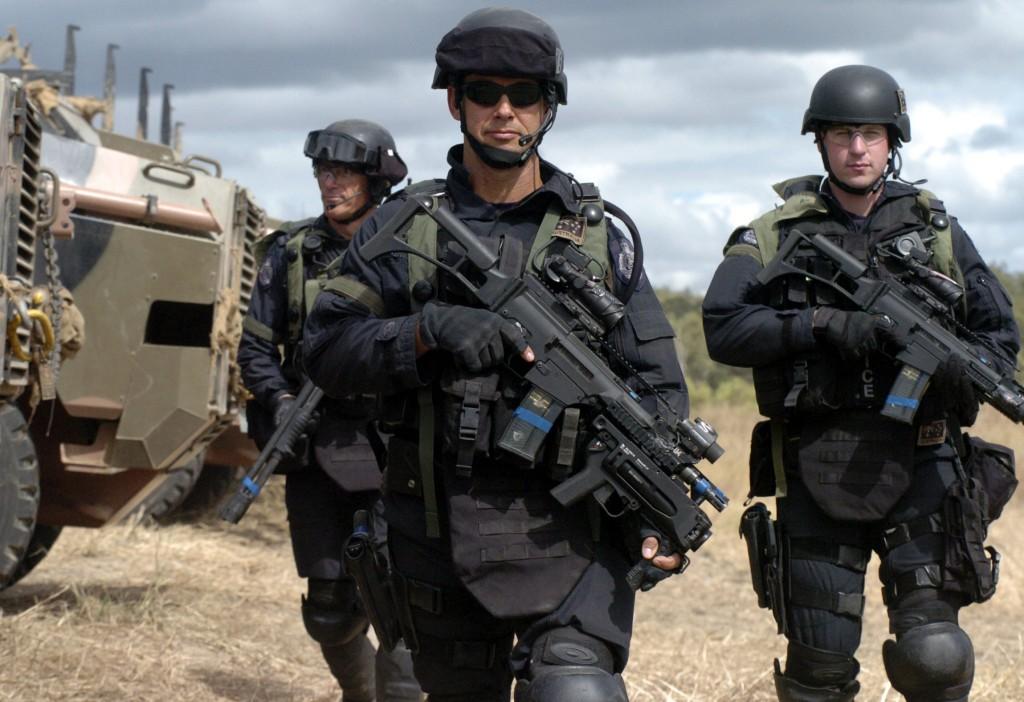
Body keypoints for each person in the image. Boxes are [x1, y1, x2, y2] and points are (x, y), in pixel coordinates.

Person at [302, 8, 689, 701]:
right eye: (484, 93)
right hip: (434, 527)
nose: (504, 111)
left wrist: (658, 498)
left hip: (568, 531)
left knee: (577, 693)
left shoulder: (601, 237)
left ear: (549, 107)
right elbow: (326, 349)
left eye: (525, 95)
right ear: (454, 101)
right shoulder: (403, 227)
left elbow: (658, 385)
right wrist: (424, 333)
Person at [702, 65, 1020, 701]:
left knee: (936, 655)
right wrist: (820, 324)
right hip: (819, 464)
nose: (856, 149)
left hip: (926, 461)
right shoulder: (773, 235)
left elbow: (999, 336)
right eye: (843, 134)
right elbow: (725, 327)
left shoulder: (938, 234)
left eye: (871, 134)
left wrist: (960, 366)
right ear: (820, 141)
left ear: (891, 141)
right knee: (819, 670)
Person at [237, 119, 422, 702]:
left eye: (342, 172)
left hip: (398, 446)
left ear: (375, 179)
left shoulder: (413, 249)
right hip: (317, 444)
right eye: (322, 171)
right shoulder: (292, 253)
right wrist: (282, 400)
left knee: (402, 599)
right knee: (328, 608)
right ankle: (359, 693)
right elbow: (255, 348)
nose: (329, 182)